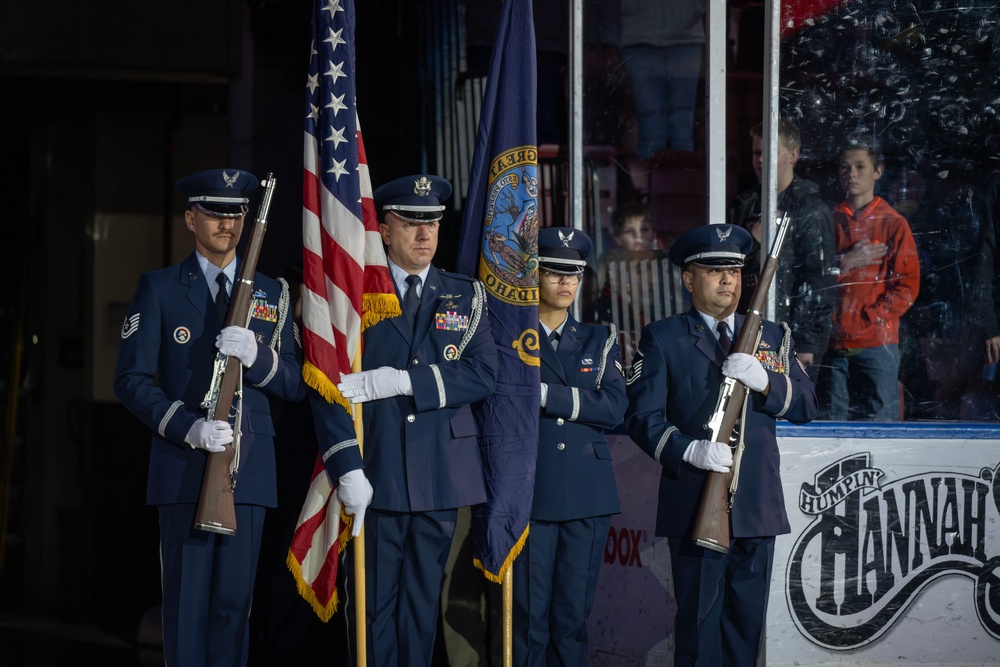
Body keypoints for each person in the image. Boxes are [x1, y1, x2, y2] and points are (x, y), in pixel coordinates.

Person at [113, 168, 304, 667]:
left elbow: (297, 381)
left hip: (251, 470)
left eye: (237, 212)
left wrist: (259, 357)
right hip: (184, 468)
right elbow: (130, 381)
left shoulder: (273, 294)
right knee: (186, 610)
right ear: (190, 219)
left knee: (233, 610)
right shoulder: (159, 289)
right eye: (215, 213)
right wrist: (187, 427)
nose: (227, 223)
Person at [315, 174, 498, 667]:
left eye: (432, 223)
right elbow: (327, 384)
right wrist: (347, 466)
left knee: (421, 608)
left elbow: (484, 372)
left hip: (441, 475)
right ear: (385, 229)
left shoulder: (465, 294)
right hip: (381, 469)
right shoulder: (357, 298)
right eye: (411, 223)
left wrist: (405, 382)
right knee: (373, 608)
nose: (424, 235)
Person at [624, 223, 817, 667]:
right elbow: (641, 418)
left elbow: (807, 403)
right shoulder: (664, 337)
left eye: (734, 269)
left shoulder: (771, 336)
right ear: (689, 279)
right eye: (715, 270)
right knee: (696, 629)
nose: (729, 279)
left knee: (746, 632)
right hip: (696, 501)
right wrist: (688, 449)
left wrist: (766, 380)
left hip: (755, 505)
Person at [514, 227, 627, 665]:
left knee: (572, 619)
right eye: (554, 273)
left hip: (585, 492)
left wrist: (549, 395)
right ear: (534, 275)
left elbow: (616, 406)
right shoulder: (514, 338)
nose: (565, 283)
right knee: (529, 620)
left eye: (574, 274)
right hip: (532, 490)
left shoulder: (600, 339)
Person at [727, 118, 837, 378]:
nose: (761, 160)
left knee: (789, 404)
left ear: (793, 155)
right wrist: (753, 240)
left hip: (791, 334)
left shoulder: (809, 209)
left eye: (770, 152)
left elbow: (819, 279)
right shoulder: (743, 205)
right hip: (747, 329)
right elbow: (727, 267)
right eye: (756, 153)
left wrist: (807, 342)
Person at [823, 133, 920, 421]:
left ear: (878, 171)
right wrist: (843, 263)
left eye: (859, 166)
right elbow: (815, 277)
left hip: (877, 342)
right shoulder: (829, 219)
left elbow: (908, 285)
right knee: (832, 424)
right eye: (845, 166)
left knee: (880, 427)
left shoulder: (893, 223)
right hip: (835, 341)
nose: (850, 174)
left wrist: (870, 317)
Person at [619, 0, 704, 156]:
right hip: (641, 38)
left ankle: (681, 180)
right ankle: (664, 179)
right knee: (654, 133)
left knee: (679, 133)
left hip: (683, 39)